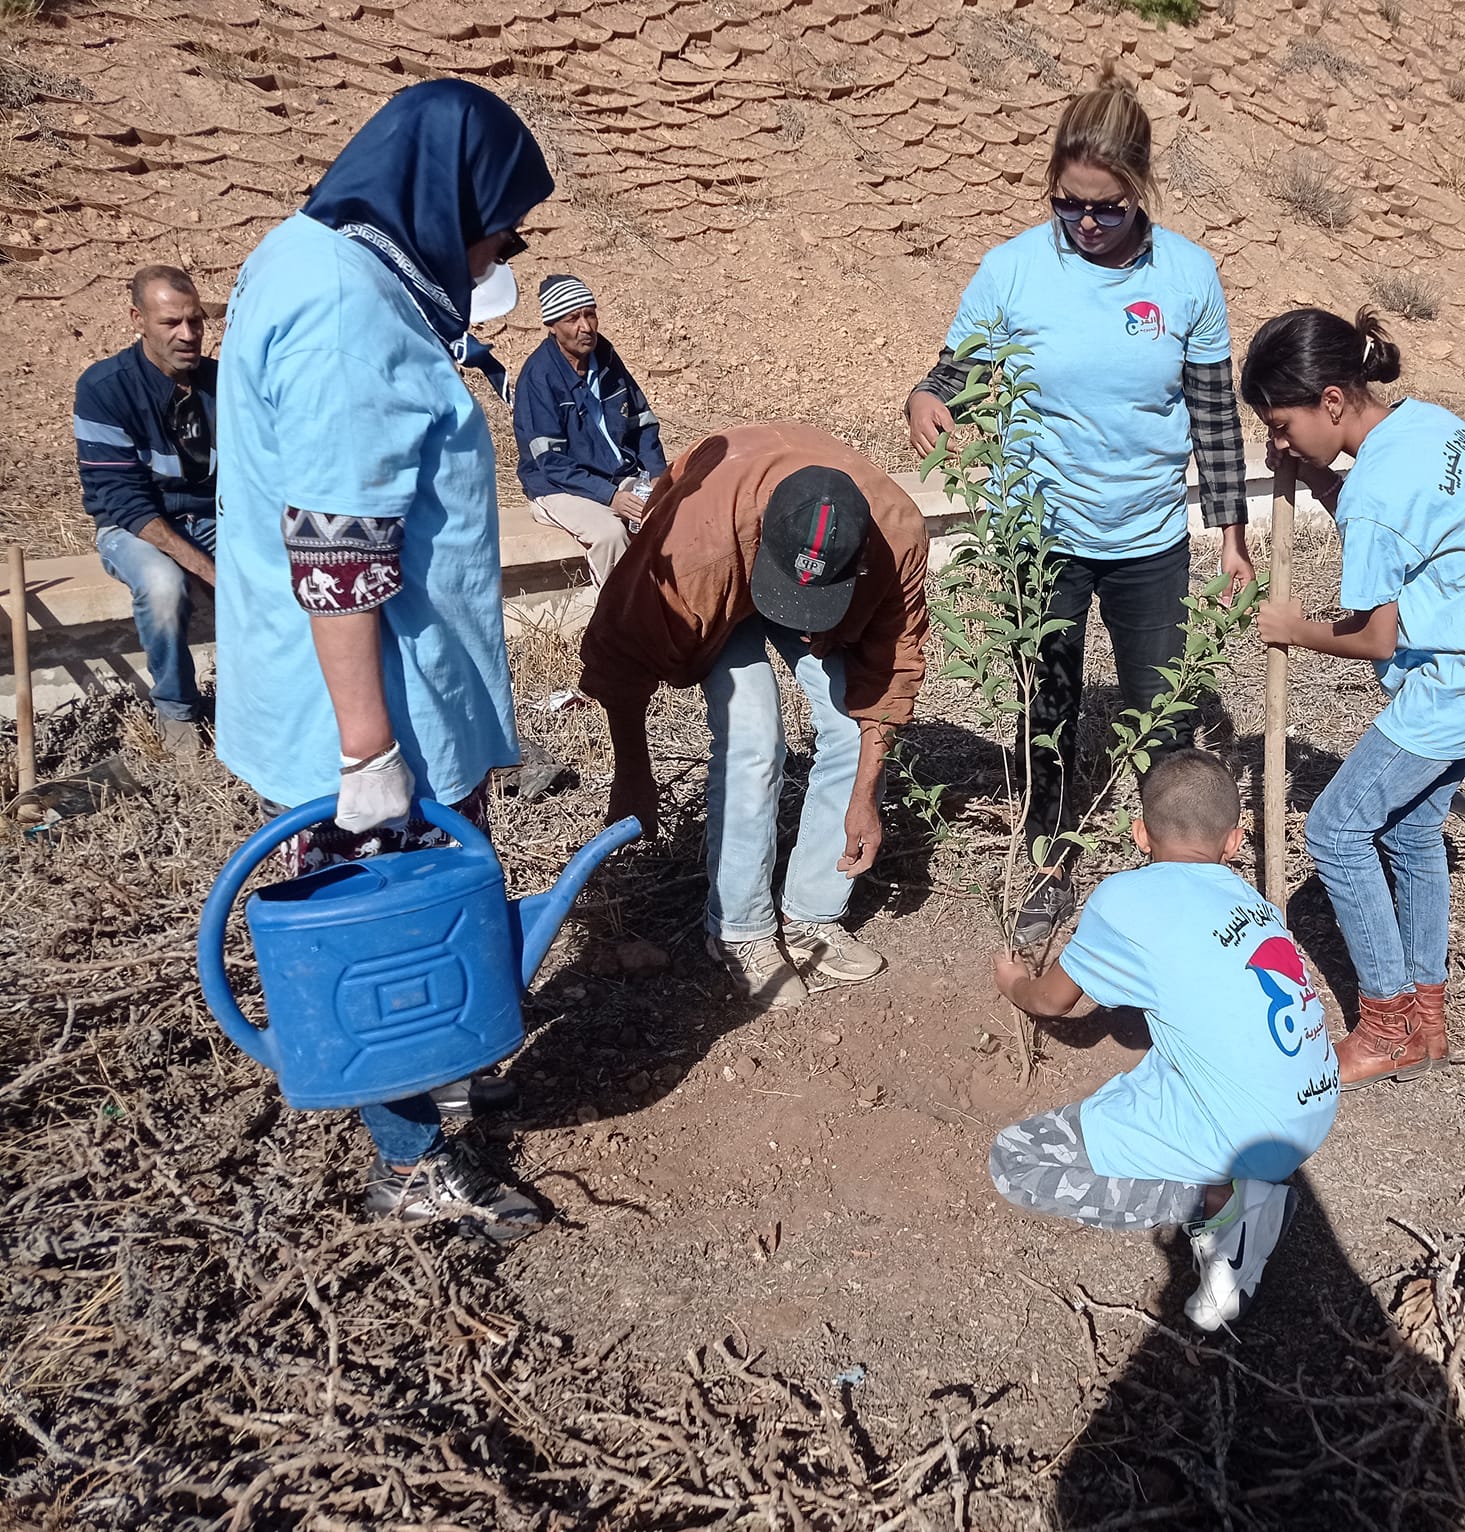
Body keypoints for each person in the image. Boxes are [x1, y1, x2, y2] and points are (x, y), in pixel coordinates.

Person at [213, 79, 554, 1240]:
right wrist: (368, 754)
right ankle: (410, 1160)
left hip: (390, 684)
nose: (501, 250)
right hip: (364, 707)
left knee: (428, 903)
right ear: (445, 198)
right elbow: (337, 550)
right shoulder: (346, 311)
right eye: (498, 226)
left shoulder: (318, 257)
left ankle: (446, 1068)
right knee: (386, 921)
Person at [904, 65, 1251, 947]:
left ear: (1141, 193)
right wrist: (926, 397)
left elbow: (1212, 412)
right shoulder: (1014, 270)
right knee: (1045, 705)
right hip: (1039, 534)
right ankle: (1049, 862)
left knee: (1162, 714)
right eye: (1069, 205)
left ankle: (1174, 886)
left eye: (1107, 208)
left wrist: (1232, 534)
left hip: (1148, 539)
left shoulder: (1187, 276)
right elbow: (960, 373)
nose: (1086, 224)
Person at [1243, 307, 1465, 1082]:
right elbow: (1398, 521)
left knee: (1337, 829)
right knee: (1414, 829)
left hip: (1463, 680)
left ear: (1330, 401)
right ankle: (1427, 1014)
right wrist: (1318, 476)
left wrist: (1293, 627)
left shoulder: (1377, 490)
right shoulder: (1426, 424)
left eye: (1282, 426)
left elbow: (1375, 637)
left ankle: (1385, 1024)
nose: (1277, 444)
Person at [579, 422, 929, 1010]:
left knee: (850, 727)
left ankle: (811, 913)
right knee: (753, 733)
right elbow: (623, 655)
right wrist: (632, 772)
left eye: (823, 609)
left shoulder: (896, 540)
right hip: (727, 558)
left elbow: (892, 673)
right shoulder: (696, 550)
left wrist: (866, 795)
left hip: (786, 555)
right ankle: (739, 930)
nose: (810, 625)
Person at [988, 750, 1337, 1332]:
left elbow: (1054, 1002)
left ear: (1139, 833)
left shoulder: (1125, 899)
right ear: (1234, 841)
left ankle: (1227, 1211)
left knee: (1015, 1160)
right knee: (1153, 1071)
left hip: (1247, 1137)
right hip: (1312, 1107)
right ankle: (1239, 1193)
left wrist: (1013, 981)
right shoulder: (1252, 902)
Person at [73, 265, 219, 754]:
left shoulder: (220, 383)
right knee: (162, 586)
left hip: (211, 517)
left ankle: (260, 698)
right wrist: (207, 567)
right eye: (171, 323)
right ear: (138, 319)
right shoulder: (105, 388)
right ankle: (177, 710)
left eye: (195, 321)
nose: (188, 334)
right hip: (134, 527)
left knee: (276, 573)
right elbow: (125, 501)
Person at [513, 273, 669, 589]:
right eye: (573, 318)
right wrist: (610, 496)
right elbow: (552, 464)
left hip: (615, 475)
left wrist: (655, 473)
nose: (586, 326)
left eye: (590, 314)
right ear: (552, 326)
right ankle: (619, 629)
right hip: (556, 487)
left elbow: (642, 421)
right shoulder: (538, 378)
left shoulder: (607, 359)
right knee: (610, 535)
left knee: (672, 509)